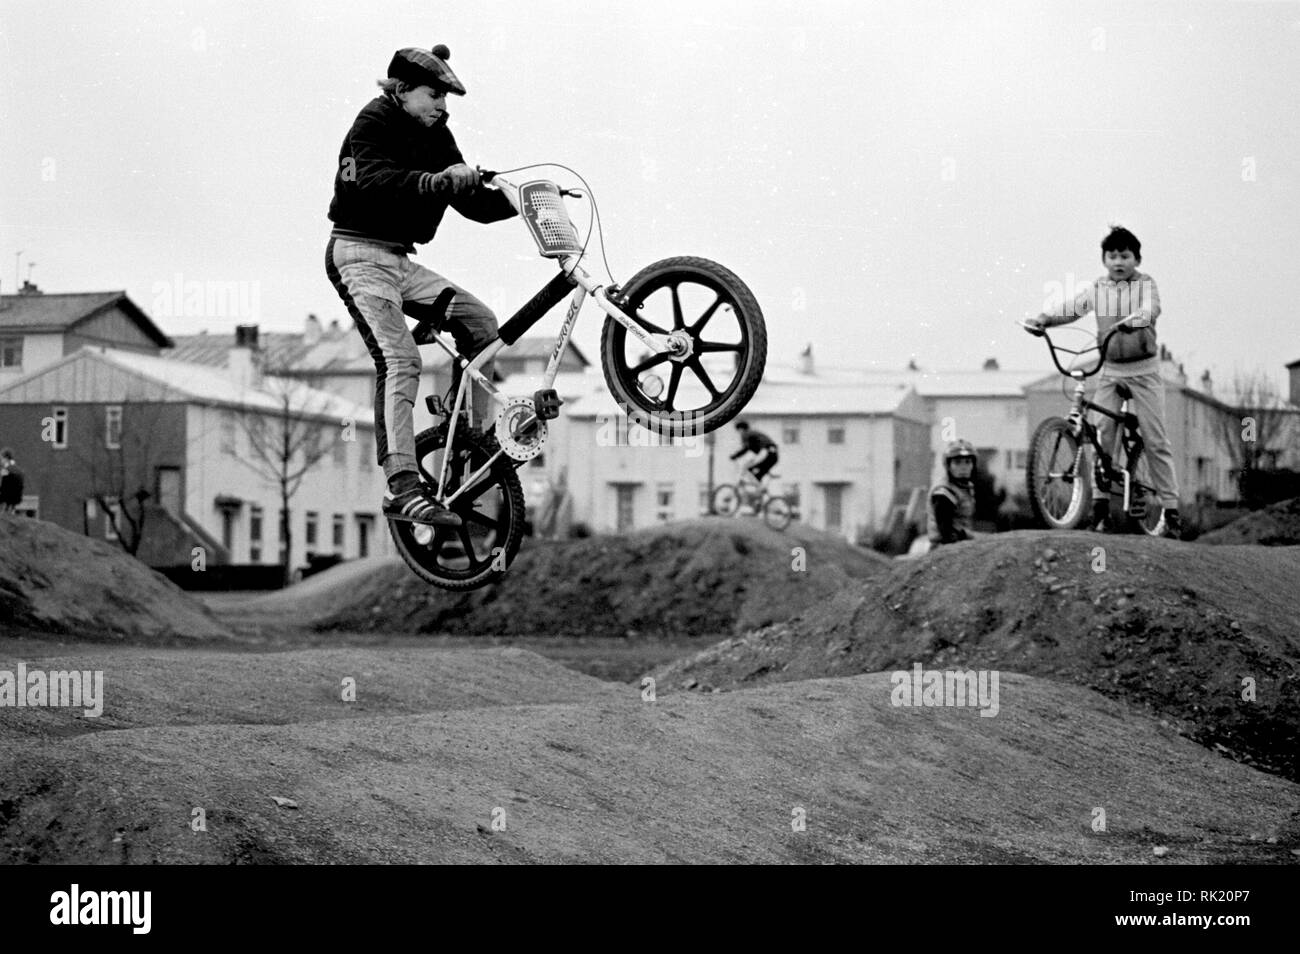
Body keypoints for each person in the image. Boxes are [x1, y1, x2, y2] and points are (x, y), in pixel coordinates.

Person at [325, 43, 517, 529]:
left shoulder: (438, 132)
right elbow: (373, 180)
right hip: (359, 256)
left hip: (399, 259)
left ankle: (469, 437)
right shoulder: (371, 123)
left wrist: (523, 198)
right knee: (400, 359)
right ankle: (402, 484)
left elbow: (470, 201)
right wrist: (439, 182)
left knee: (482, 324)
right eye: (435, 95)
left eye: (446, 99)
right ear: (403, 90)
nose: (443, 106)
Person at [1025, 225, 1183, 539]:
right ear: (1104, 260)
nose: (1118, 262)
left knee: (1155, 439)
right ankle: (1099, 509)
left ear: (1136, 259)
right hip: (1110, 369)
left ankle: (1171, 509)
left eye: (1124, 256)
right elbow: (1073, 308)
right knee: (1103, 436)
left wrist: (1135, 320)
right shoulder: (1098, 289)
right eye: (1112, 256)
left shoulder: (1146, 285)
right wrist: (1044, 319)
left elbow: (1152, 309)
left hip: (1145, 370)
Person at [927, 439, 977, 546]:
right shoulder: (944, 492)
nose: (963, 467)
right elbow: (946, 532)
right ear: (948, 466)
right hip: (944, 548)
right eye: (957, 462)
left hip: (962, 544)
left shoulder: (964, 487)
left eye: (968, 462)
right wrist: (972, 537)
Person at [0, 448, 24, 514]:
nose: (0, 461)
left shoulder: (5, 470)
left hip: (7, 499)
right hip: (17, 498)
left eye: (1, 458)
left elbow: (3, 487)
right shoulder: (18, 469)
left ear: (6, 458)